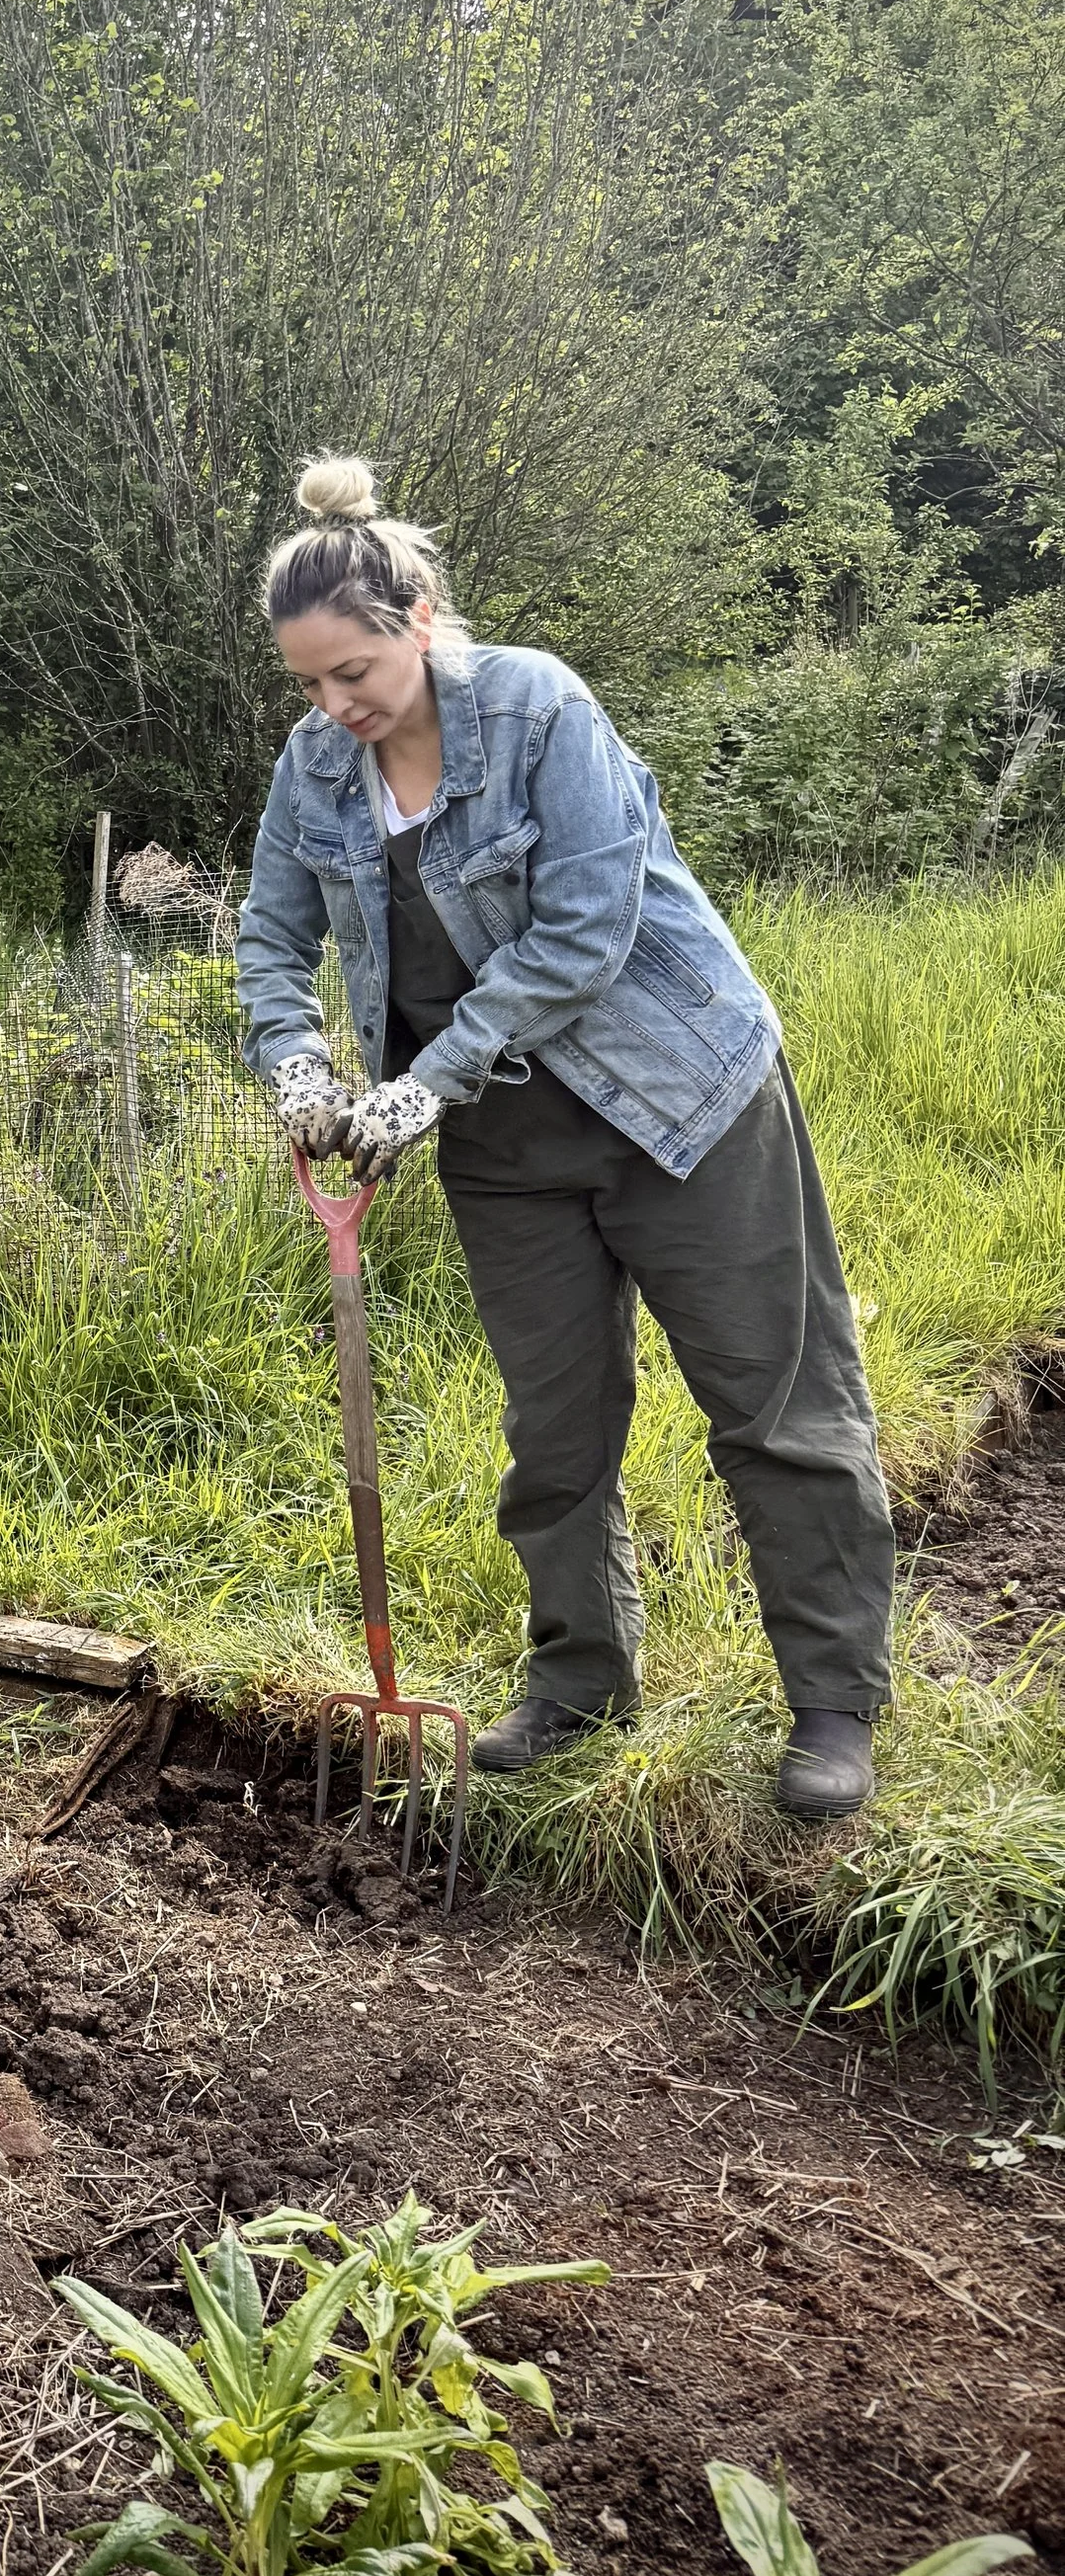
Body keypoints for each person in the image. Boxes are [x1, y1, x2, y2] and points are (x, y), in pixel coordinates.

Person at [233, 458, 894, 1818]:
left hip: (679, 1104)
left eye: (353, 669)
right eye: (309, 683)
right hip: (501, 1147)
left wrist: (430, 1077)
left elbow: (585, 930)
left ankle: (833, 1709)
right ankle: (580, 1686)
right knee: (556, 1429)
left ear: (418, 618)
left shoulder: (539, 708)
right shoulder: (316, 769)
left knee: (776, 1408)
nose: (336, 704)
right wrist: (295, 1056)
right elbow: (267, 941)